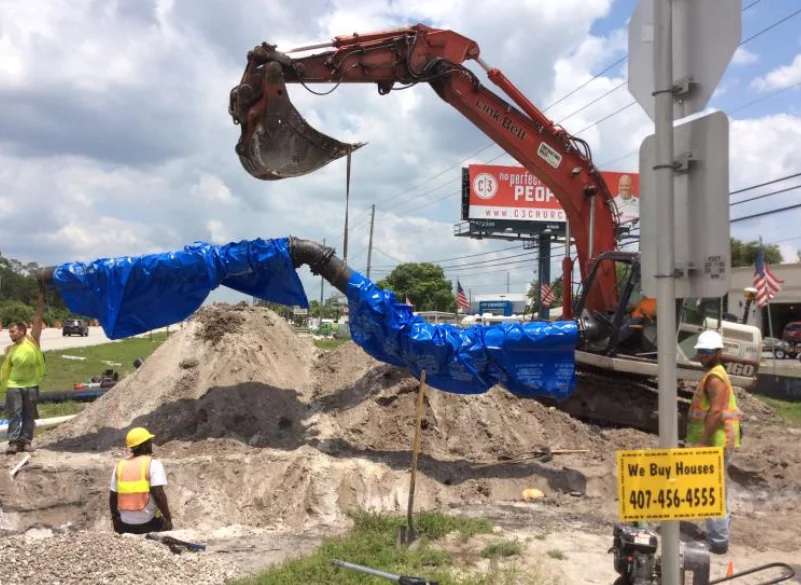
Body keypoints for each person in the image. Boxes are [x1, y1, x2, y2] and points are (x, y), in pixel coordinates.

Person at [686, 330, 742, 555]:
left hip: (716, 442)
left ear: (719, 353)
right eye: (700, 352)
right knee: (715, 488)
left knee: (713, 488)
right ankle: (717, 533)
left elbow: (717, 411)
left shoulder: (716, 377)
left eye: (707, 352)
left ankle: (718, 539)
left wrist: (702, 442)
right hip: (717, 441)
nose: (702, 356)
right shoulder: (713, 374)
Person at [2, 288, 46, 454]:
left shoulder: (33, 341)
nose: (10, 334)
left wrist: (41, 295)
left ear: (21, 330)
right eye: (9, 332)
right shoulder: (9, 350)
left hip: (31, 385)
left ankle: (26, 441)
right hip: (14, 386)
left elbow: (38, 317)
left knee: (29, 415)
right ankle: (13, 442)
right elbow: (6, 370)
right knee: (14, 414)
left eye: (12, 331)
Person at [109, 427, 173, 534]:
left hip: (125, 525)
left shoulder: (119, 466)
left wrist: (115, 519)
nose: (151, 443)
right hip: (148, 524)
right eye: (149, 441)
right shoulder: (152, 465)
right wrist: (168, 519)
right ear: (144, 445)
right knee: (163, 523)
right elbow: (159, 495)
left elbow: (113, 496)